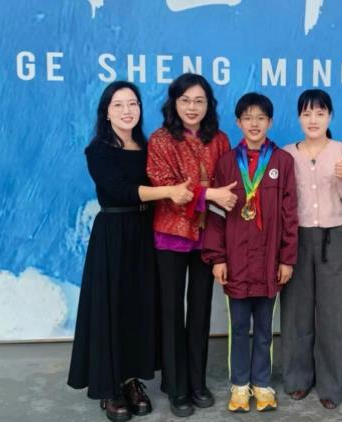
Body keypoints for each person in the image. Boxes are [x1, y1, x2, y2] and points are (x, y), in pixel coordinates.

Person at [68, 81, 195, 422]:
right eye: (119, 105)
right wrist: (169, 191)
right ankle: (109, 388)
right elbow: (120, 190)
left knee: (138, 308)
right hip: (113, 233)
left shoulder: (149, 146)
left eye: (133, 104)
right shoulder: (98, 150)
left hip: (145, 233)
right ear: (106, 112)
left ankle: (131, 379)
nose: (127, 111)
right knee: (111, 308)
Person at [146, 73, 238, 418]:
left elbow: (229, 188)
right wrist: (210, 194)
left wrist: (218, 199)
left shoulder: (220, 139)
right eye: (185, 100)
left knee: (200, 311)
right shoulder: (160, 139)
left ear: (208, 105)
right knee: (171, 311)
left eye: (199, 101)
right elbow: (166, 187)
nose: (192, 107)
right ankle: (176, 386)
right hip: (170, 235)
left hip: (207, 238)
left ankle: (197, 382)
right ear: (174, 103)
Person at [203, 92, 298, 413]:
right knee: (239, 327)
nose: (254, 123)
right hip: (236, 259)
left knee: (264, 329)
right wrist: (218, 258)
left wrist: (287, 258)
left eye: (260, 118)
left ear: (270, 122)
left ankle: (262, 383)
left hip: (270, 261)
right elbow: (216, 215)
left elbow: (290, 214)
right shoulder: (227, 163)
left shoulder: (282, 162)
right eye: (247, 118)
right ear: (238, 122)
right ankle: (240, 385)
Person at [280, 89, 342, 409]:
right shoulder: (287, 154)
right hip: (296, 238)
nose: (313, 119)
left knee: (334, 313)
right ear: (299, 117)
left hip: (333, 238)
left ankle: (330, 385)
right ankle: (297, 379)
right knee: (296, 312)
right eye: (306, 113)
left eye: (320, 113)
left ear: (330, 116)